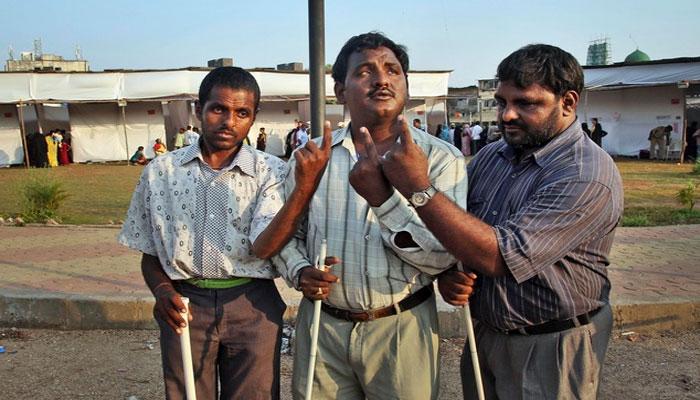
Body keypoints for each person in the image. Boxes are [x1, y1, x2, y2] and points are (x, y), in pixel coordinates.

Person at [379, 44, 623, 399]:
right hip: (487, 335)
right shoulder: (495, 155)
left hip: (552, 343)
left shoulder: (585, 174)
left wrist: (418, 187)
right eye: (501, 102)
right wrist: (451, 272)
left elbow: (498, 256)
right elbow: (461, 228)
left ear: (568, 103)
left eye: (526, 103)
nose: (507, 115)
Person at [273, 32, 467, 400]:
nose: (381, 80)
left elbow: (443, 257)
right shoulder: (314, 156)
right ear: (340, 91)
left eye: (392, 70)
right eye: (365, 71)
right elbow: (285, 232)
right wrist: (300, 271)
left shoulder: (441, 160)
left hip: (402, 326)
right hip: (323, 324)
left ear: (406, 84)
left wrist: (383, 199)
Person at [118, 66, 331, 400]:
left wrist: (302, 189)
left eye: (242, 113)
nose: (229, 121)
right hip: (185, 304)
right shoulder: (161, 171)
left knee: (255, 394)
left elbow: (265, 247)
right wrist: (162, 291)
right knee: (187, 393)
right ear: (199, 110)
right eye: (218, 109)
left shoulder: (270, 171)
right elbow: (149, 251)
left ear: (253, 117)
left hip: (253, 305)